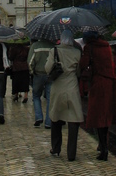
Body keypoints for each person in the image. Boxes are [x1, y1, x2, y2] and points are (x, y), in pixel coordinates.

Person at [45, 29, 84, 162]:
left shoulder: (54, 51)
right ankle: (71, 153)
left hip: (58, 87)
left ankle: (56, 148)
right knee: (73, 121)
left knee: (55, 118)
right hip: (72, 87)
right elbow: (79, 72)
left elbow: (47, 68)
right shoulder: (77, 52)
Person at [79, 31, 116, 161]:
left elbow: (83, 64)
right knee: (106, 115)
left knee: (98, 115)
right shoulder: (106, 45)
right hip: (111, 82)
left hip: (98, 83)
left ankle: (103, 148)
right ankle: (103, 145)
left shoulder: (89, 47)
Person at [27, 37, 54, 128]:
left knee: (36, 96)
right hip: (50, 75)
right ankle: (48, 122)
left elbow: (30, 62)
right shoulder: (52, 46)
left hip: (38, 74)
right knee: (50, 98)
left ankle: (38, 117)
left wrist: (32, 72)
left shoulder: (35, 46)